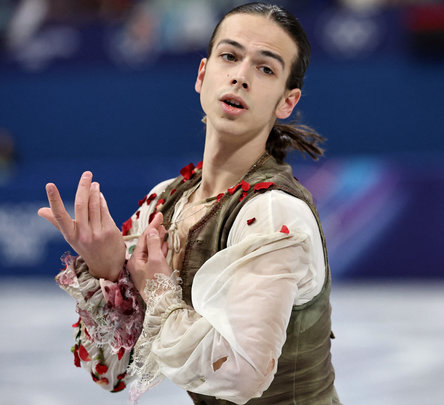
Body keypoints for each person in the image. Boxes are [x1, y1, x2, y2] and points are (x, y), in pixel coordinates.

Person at [37, 3, 341, 404]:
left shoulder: (273, 212)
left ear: (287, 101)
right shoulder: (166, 201)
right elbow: (111, 374)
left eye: (265, 68)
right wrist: (107, 270)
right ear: (202, 74)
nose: (241, 76)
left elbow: (242, 375)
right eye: (229, 56)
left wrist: (158, 292)